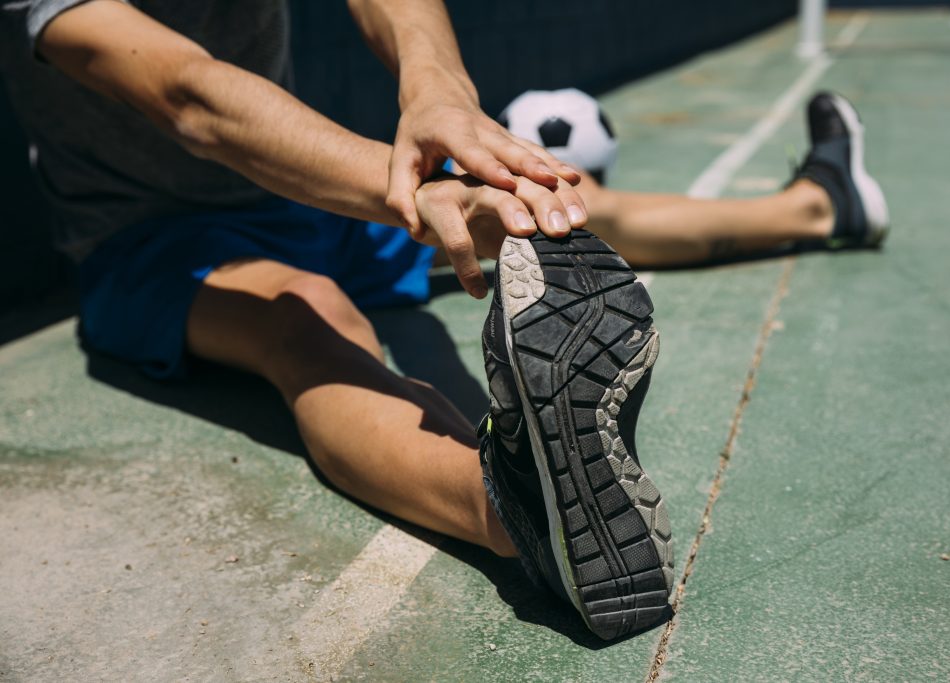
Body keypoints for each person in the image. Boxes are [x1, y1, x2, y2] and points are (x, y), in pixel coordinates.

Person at [0, 0, 888, 640]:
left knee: (552, 200)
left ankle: (821, 205)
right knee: (302, 319)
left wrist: (439, 87)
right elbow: (191, 97)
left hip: (310, 202)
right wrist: (414, 194)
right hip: (149, 239)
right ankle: (516, 510)